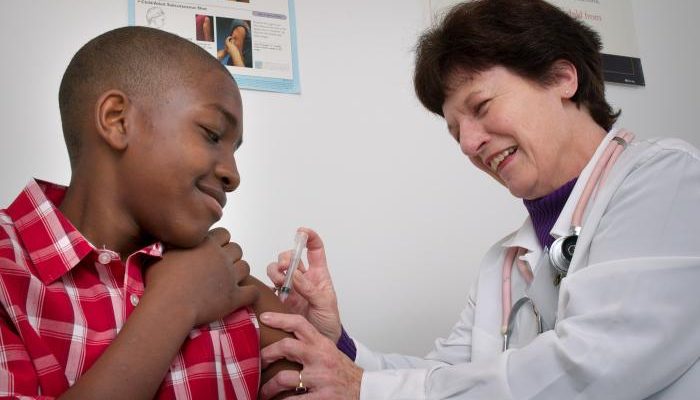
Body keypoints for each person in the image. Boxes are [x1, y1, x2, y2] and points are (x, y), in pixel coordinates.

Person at [258, 0, 700, 398]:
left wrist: (365, 389)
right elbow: (447, 375)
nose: (469, 144)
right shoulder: (503, 263)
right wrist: (337, 342)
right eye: (454, 131)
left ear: (563, 78)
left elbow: (594, 367)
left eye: (482, 106)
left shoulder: (667, 178)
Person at [0, 26, 300, 399]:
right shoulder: (7, 270)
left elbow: (312, 370)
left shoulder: (222, 277)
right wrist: (177, 302)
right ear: (117, 120)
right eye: (211, 134)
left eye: (234, 150)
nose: (233, 175)